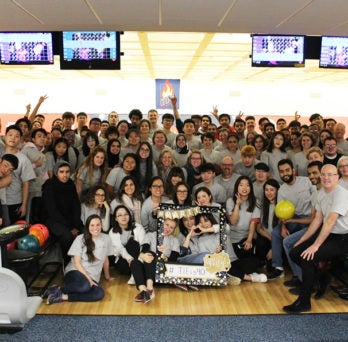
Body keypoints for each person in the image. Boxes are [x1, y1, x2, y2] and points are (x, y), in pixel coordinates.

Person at [283, 164, 348, 313]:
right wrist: (302, 241)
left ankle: (304, 302)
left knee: (307, 258)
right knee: (295, 252)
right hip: (329, 234)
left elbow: (330, 221)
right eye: (323, 174)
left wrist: (316, 245)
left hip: (343, 238)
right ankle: (321, 278)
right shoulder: (321, 193)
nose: (326, 178)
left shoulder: (341, 194)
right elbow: (317, 220)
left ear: (337, 177)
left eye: (330, 174)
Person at [46, 214, 114, 304]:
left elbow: (105, 259)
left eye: (98, 225)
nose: (95, 228)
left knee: (99, 293)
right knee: (84, 286)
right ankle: (55, 290)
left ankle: (62, 296)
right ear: (88, 227)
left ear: (101, 225)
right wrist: (88, 279)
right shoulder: (80, 238)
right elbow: (77, 263)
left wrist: (107, 276)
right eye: (92, 225)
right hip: (75, 271)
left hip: (93, 277)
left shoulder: (106, 238)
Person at [268, 158, 315, 280]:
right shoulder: (282, 190)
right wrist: (283, 227)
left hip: (309, 219)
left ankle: (298, 275)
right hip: (291, 219)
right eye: (282, 171)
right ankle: (278, 267)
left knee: (289, 241)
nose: (285, 174)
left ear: (293, 171)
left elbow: (316, 207)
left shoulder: (306, 181)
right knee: (276, 233)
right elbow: (281, 212)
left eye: (287, 170)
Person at [109, 205, 155, 302]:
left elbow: (145, 242)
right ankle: (139, 274)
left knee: (150, 254)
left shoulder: (137, 226)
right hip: (123, 263)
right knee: (132, 244)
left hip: (137, 261)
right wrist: (131, 258)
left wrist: (142, 254)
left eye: (126, 214)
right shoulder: (112, 232)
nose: (123, 217)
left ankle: (147, 290)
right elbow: (120, 249)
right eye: (120, 215)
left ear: (129, 216)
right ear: (116, 219)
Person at [42, 161, 84, 263]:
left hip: (69, 220)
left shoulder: (71, 185)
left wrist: (76, 225)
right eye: (61, 172)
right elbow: (53, 211)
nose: (65, 175)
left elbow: (76, 206)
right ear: (56, 173)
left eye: (67, 172)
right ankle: (68, 262)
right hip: (54, 221)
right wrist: (70, 227)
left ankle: (82, 262)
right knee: (67, 236)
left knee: (85, 232)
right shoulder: (49, 186)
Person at [226, 176, 260, 259]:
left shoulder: (256, 202)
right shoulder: (230, 201)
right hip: (232, 238)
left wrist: (249, 240)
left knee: (248, 259)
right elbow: (233, 221)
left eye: (247, 185)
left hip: (248, 236)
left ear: (251, 188)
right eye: (241, 185)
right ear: (237, 187)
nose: (244, 188)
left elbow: (253, 223)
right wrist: (237, 204)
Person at [256, 179, 280, 271]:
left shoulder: (281, 205)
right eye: (266, 190)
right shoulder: (262, 205)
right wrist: (270, 239)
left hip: (279, 239)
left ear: (277, 191)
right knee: (260, 242)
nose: (269, 193)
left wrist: (274, 247)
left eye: (272, 190)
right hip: (268, 237)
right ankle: (263, 261)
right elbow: (258, 228)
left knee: (271, 269)